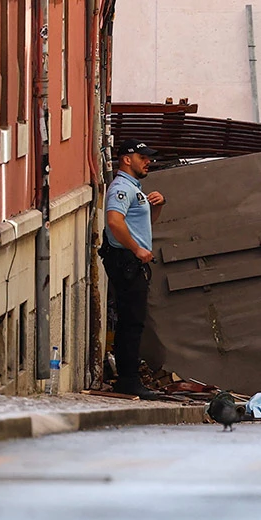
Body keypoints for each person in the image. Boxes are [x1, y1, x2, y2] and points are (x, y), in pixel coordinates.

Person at [101, 139, 165, 400]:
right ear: (127, 159)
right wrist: (137, 250)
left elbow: (143, 225)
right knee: (131, 322)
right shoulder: (121, 189)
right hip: (126, 261)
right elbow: (114, 222)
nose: (148, 161)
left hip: (132, 261)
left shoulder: (134, 189)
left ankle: (129, 377)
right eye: (142, 157)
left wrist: (157, 206)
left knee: (134, 321)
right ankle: (128, 380)